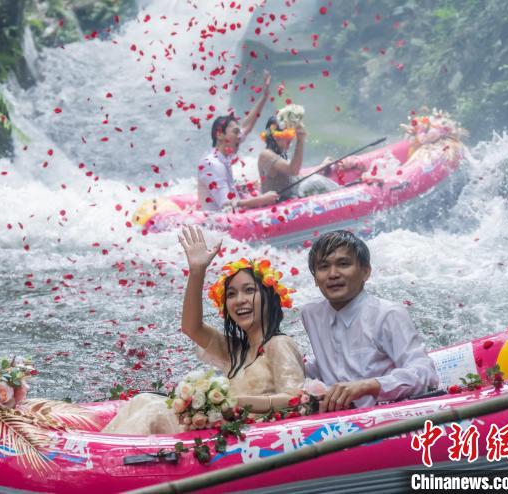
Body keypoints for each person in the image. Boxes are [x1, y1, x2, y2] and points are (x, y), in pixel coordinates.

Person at [103, 225, 310, 435]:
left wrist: (236, 402)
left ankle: (104, 460)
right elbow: (191, 327)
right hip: (225, 428)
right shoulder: (235, 350)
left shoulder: (279, 344)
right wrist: (197, 271)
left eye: (249, 291)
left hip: (252, 435)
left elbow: (295, 398)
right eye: (231, 294)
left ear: (270, 298)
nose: (239, 300)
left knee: (156, 412)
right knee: (143, 399)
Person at [300, 230, 439, 413]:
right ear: (315, 279)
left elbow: (425, 373)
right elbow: (331, 362)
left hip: (386, 418)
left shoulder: (388, 314)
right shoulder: (312, 314)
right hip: (336, 421)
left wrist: (369, 386)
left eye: (343, 264)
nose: (333, 274)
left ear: (366, 271)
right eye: (323, 267)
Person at [197, 71, 279, 211]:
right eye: (235, 132)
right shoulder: (213, 164)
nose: (240, 136)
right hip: (218, 223)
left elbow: (246, 126)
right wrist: (262, 199)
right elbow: (228, 206)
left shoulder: (222, 153)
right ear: (220, 135)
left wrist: (264, 96)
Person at [258, 116, 340, 201]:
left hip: (291, 196)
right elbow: (294, 170)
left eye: (292, 134)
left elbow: (295, 178)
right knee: (313, 182)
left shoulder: (280, 154)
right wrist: (300, 141)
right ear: (276, 137)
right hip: (279, 203)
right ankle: (341, 192)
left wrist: (321, 167)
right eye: (287, 135)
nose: (291, 138)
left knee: (313, 180)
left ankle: (341, 191)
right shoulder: (265, 155)